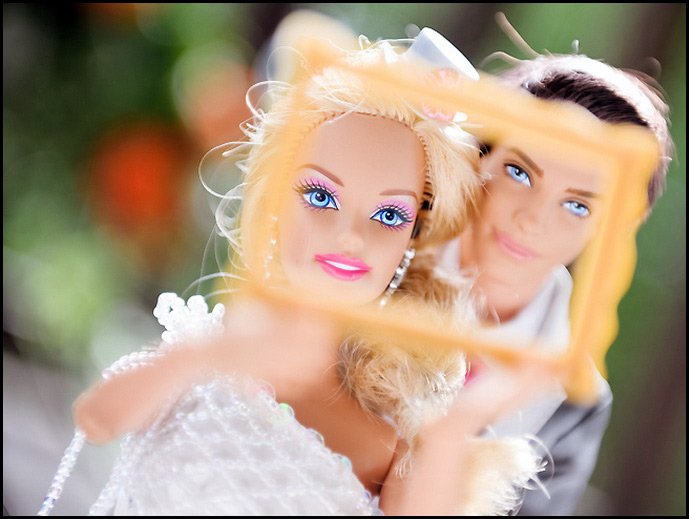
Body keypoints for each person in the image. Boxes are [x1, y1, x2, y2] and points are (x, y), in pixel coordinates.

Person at [39, 31, 554, 516]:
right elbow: (98, 417)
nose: (351, 236)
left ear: (412, 239)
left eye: (388, 215)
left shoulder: (387, 445)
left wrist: (465, 419)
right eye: (321, 197)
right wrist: (210, 355)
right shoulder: (203, 352)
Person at [436, 51, 673, 515]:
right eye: (520, 172)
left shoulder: (573, 398)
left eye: (578, 206)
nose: (533, 220)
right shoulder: (380, 264)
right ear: (481, 154)